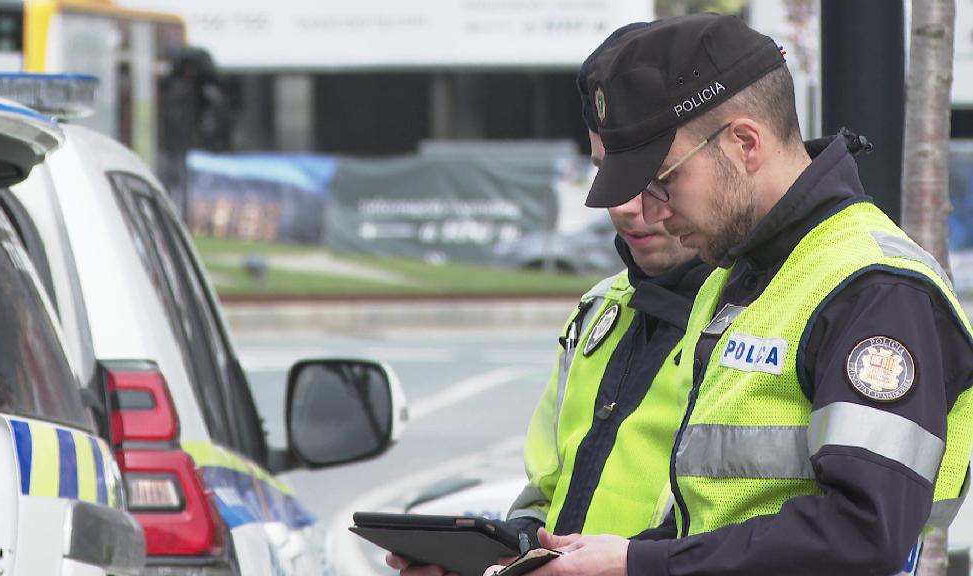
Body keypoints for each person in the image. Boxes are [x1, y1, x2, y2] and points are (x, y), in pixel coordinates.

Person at [486, 13, 973, 576]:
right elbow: (709, 516)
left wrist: (638, 563)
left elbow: (865, 533)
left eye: (662, 178)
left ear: (745, 143)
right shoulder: (741, 273)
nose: (649, 209)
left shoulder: (874, 287)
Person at [387, 23, 712, 576]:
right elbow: (548, 499)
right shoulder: (598, 312)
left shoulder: (762, 310)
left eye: (651, 176)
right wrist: (493, 556)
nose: (623, 205)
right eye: (604, 171)